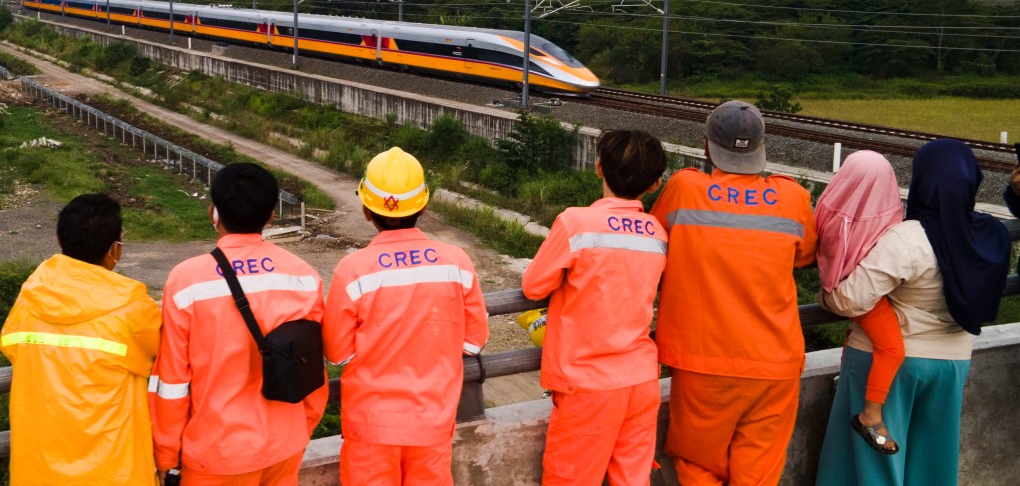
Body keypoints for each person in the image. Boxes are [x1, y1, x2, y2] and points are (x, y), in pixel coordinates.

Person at [815, 138, 1012, 486]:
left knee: (874, 468)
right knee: (933, 465)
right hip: (952, 364)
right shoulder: (991, 234)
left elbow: (848, 300)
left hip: (889, 366)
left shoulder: (907, 238)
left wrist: (825, 294)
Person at [650, 100, 818, 486]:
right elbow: (805, 254)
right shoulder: (792, 198)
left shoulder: (684, 188)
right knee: (758, 473)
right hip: (775, 363)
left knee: (698, 465)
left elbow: (655, 245)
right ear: (761, 148)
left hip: (702, 362)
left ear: (706, 146)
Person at [150, 163, 327, 486]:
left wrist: (166, 453)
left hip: (215, 454)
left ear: (213, 213)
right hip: (284, 446)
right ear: (271, 215)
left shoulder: (186, 282)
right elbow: (314, 369)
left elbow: (172, 381)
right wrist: (301, 427)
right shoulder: (304, 276)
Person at [322, 147, 489, 486]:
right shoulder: (456, 261)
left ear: (367, 210)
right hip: (433, 421)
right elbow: (473, 342)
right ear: (424, 206)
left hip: (370, 425)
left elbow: (337, 353)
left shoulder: (352, 270)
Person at [522, 129, 669, 485]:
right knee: (632, 479)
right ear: (654, 185)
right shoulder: (658, 233)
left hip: (587, 386)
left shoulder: (576, 223)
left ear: (598, 167)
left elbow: (533, 285)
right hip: (641, 380)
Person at [1, 193, 161, 485]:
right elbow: (161, 353)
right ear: (116, 250)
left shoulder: (29, 298)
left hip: (36, 471)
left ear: (59, 241)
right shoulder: (133, 307)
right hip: (114, 472)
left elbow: (13, 347)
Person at [814, 151, 905, 454]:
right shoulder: (884, 214)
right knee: (892, 348)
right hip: (859, 297)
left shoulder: (829, 204)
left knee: (857, 331)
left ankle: (844, 377)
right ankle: (871, 415)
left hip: (831, 288)